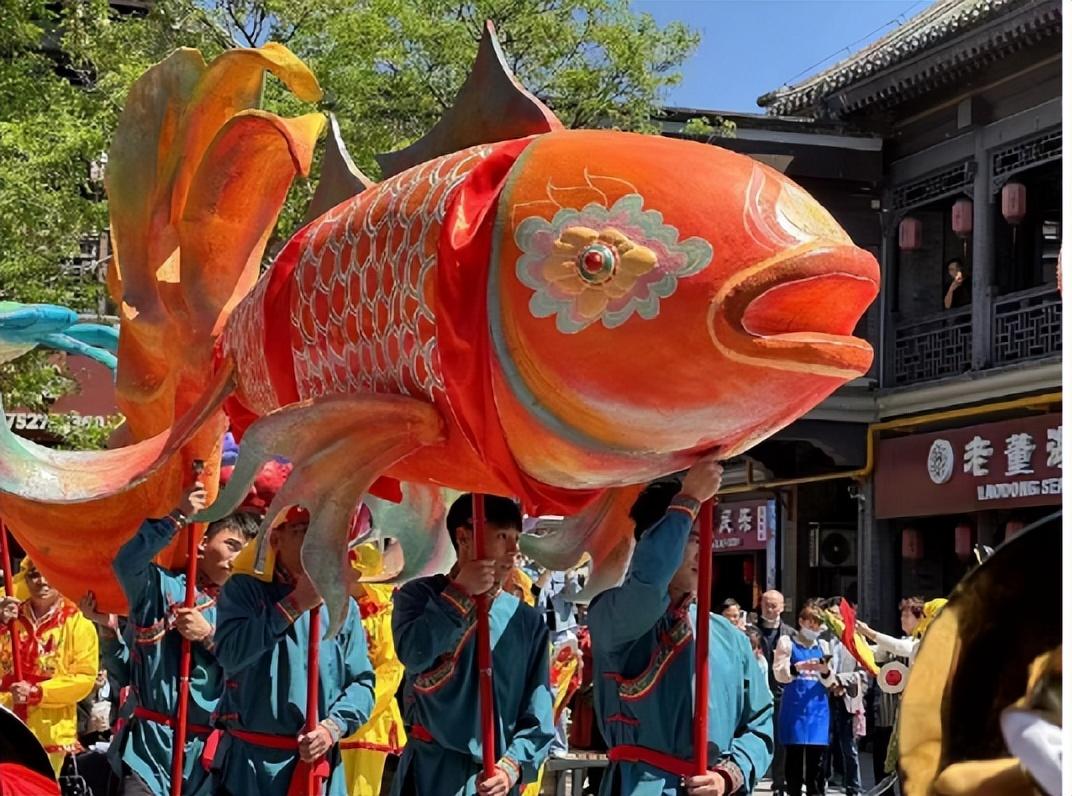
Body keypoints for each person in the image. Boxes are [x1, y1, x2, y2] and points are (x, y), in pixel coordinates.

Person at [588, 458, 774, 796]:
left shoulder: (731, 638)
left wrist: (729, 775)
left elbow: (760, 722)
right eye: (690, 536)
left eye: (705, 537)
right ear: (649, 542)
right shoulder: (612, 615)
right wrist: (687, 500)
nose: (701, 549)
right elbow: (648, 585)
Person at [391, 493, 554, 796]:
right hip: (431, 773)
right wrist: (460, 593)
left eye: (516, 538)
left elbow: (539, 715)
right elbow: (415, 653)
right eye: (502, 535)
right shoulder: (418, 596)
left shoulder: (527, 621)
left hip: (493, 780)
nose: (513, 550)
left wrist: (510, 769)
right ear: (464, 537)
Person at [211, 507, 377, 796]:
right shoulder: (244, 591)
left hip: (315, 765)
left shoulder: (343, 606)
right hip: (251, 768)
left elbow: (362, 683)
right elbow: (230, 654)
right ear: (276, 540)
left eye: (323, 532)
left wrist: (331, 728)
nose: (315, 540)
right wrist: (296, 604)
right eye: (301, 531)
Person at [108, 480, 259, 795]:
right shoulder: (162, 588)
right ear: (202, 543)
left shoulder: (252, 614)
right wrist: (179, 515)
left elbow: (255, 678)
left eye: (248, 551)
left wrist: (209, 636)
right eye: (232, 544)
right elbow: (126, 564)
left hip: (209, 756)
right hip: (148, 748)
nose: (239, 557)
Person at [0, 559, 98, 774]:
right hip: (5, 722)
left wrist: (37, 692)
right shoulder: (8, 615)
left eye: (49, 574)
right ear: (25, 578)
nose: (42, 581)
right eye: (34, 574)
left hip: (49, 732)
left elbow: (84, 678)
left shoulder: (78, 624)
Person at [340, 570, 406, 796]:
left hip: (370, 723)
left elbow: (390, 670)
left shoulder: (384, 613)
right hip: (330, 720)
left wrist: (359, 708)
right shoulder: (330, 606)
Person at [773, 601, 836, 796]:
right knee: (794, 759)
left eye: (817, 625)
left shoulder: (823, 645)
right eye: (810, 624)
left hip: (818, 709)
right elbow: (779, 674)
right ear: (801, 622)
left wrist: (825, 671)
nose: (814, 629)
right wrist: (798, 668)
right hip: (795, 708)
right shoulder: (787, 643)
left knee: (816, 763)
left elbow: (829, 681)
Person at [756, 589, 794, 795]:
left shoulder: (790, 634)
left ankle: (780, 782)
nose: (770, 609)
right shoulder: (751, 632)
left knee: (781, 741)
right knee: (756, 736)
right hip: (757, 693)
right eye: (766, 605)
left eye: (774, 605)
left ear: (782, 607)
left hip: (782, 694)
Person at [825, 637, 867, 796]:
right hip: (826, 697)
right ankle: (821, 782)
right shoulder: (824, 640)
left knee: (849, 747)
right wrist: (830, 684)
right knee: (824, 744)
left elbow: (863, 673)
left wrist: (839, 681)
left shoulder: (856, 641)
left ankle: (853, 787)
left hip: (848, 699)